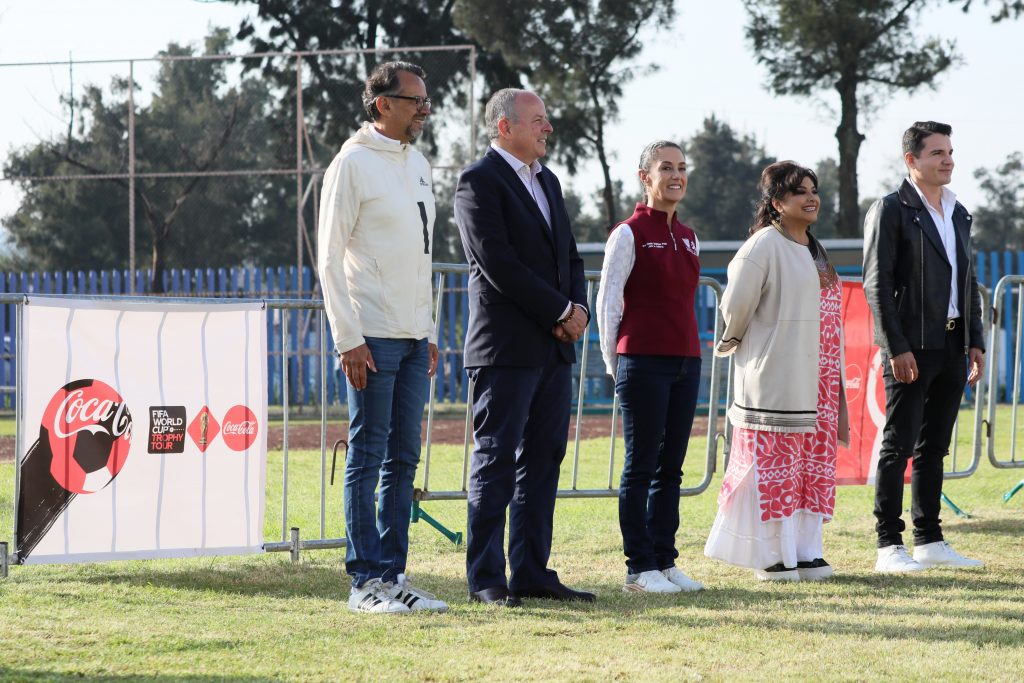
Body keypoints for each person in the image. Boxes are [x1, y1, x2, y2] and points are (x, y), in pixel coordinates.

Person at [454, 88, 594, 607]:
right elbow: (498, 263)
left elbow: (570, 258)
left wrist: (579, 310)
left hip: (553, 350)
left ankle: (532, 572)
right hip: (506, 348)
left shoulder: (548, 181)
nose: (547, 128)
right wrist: (559, 311)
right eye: (538, 120)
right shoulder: (478, 181)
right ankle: (486, 577)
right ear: (505, 126)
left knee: (543, 459)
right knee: (496, 460)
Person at [317, 61, 448, 613]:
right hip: (370, 337)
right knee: (368, 455)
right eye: (415, 100)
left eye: (426, 100)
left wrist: (429, 329)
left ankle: (393, 575)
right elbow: (328, 258)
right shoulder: (351, 164)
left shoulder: (418, 163)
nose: (424, 109)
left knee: (403, 458)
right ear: (382, 104)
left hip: (414, 338)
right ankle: (363, 581)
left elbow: (421, 256)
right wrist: (348, 338)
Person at [704, 161, 848, 582]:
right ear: (776, 203)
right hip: (777, 375)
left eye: (814, 189)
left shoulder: (816, 249)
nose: (811, 197)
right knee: (775, 466)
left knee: (810, 463)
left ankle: (806, 551)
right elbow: (736, 305)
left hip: (819, 378)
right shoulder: (763, 245)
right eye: (799, 191)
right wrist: (744, 344)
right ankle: (772, 556)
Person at [862, 121, 985, 573]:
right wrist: (896, 347)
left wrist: (975, 341)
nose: (947, 159)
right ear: (911, 160)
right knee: (898, 446)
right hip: (910, 347)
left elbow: (967, 281)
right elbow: (877, 284)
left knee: (934, 447)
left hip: (953, 345)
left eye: (950, 151)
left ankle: (929, 540)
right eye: (937, 152)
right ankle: (888, 545)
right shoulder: (891, 209)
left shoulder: (958, 211)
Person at [596, 141, 705, 594]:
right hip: (641, 362)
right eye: (666, 168)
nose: (676, 176)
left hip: (686, 362)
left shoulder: (690, 235)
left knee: (671, 469)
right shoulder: (627, 233)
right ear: (645, 177)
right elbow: (608, 304)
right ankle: (639, 568)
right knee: (640, 467)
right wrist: (615, 366)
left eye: (682, 167)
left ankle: (664, 560)